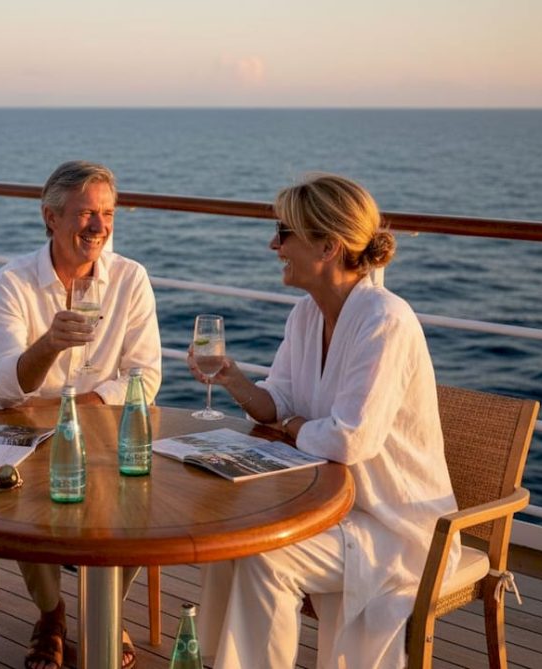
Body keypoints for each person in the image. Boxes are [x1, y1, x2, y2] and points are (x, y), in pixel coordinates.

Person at [188, 173, 459, 668]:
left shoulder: (385, 321)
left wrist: (292, 428)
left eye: (284, 233)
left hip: (388, 525)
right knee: (230, 535)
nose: (274, 245)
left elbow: (351, 440)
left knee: (264, 556)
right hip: (326, 506)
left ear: (329, 246)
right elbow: (279, 399)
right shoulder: (306, 314)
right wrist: (233, 379)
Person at [0, 160, 161, 669]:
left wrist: (67, 408)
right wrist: (47, 346)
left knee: (135, 491)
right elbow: (1, 385)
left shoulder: (130, 278)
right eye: (87, 213)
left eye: (108, 213)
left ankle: (108, 613)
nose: (100, 226)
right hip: (24, 435)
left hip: (102, 430)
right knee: (17, 490)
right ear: (51, 217)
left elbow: (146, 377)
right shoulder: (12, 283)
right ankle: (52, 612)